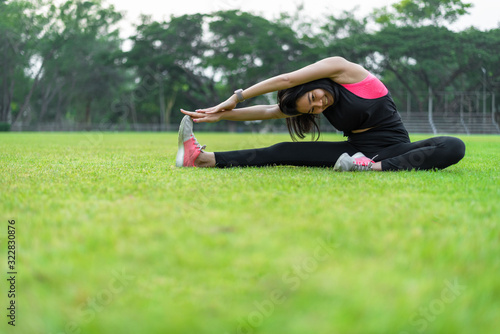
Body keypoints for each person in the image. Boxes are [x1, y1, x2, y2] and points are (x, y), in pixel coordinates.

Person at [175, 56, 465, 171]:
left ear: (311, 85)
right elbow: (267, 110)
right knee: (281, 150)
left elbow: (287, 80)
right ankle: (199, 159)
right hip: (353, 151)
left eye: (314, 97)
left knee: (454, 145)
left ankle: (369, 169)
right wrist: (221, 115)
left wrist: (235, 97)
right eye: (313, 108)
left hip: (393, 149)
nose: (319, 106)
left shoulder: (345, 71)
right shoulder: (309, 102)